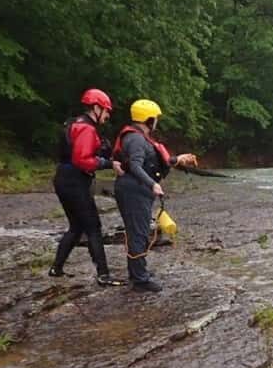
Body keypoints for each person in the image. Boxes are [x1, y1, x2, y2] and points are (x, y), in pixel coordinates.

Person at [112, 99, 197, 293]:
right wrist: (153, 184)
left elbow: (155, 161)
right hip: (134, 190)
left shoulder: (139, 138)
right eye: (156, 118)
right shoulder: (136, 139)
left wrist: (178, 159)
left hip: (138, 189)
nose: (157, 121)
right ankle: (140, 280)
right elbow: (135, 166)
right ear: (148, 119)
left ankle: (138, 273)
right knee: (138, 233)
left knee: (139, 231)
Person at [49, 88, 121, 285]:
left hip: (63, 179)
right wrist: (107, 164)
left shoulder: (74, 123)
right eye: (106, 111)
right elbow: (82, 160)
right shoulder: (86, 129)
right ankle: (104, 274)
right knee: (93, 227)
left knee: (77, 226)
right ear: (96, 108)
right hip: (74, 181)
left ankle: (56, 268)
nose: (107, 115)